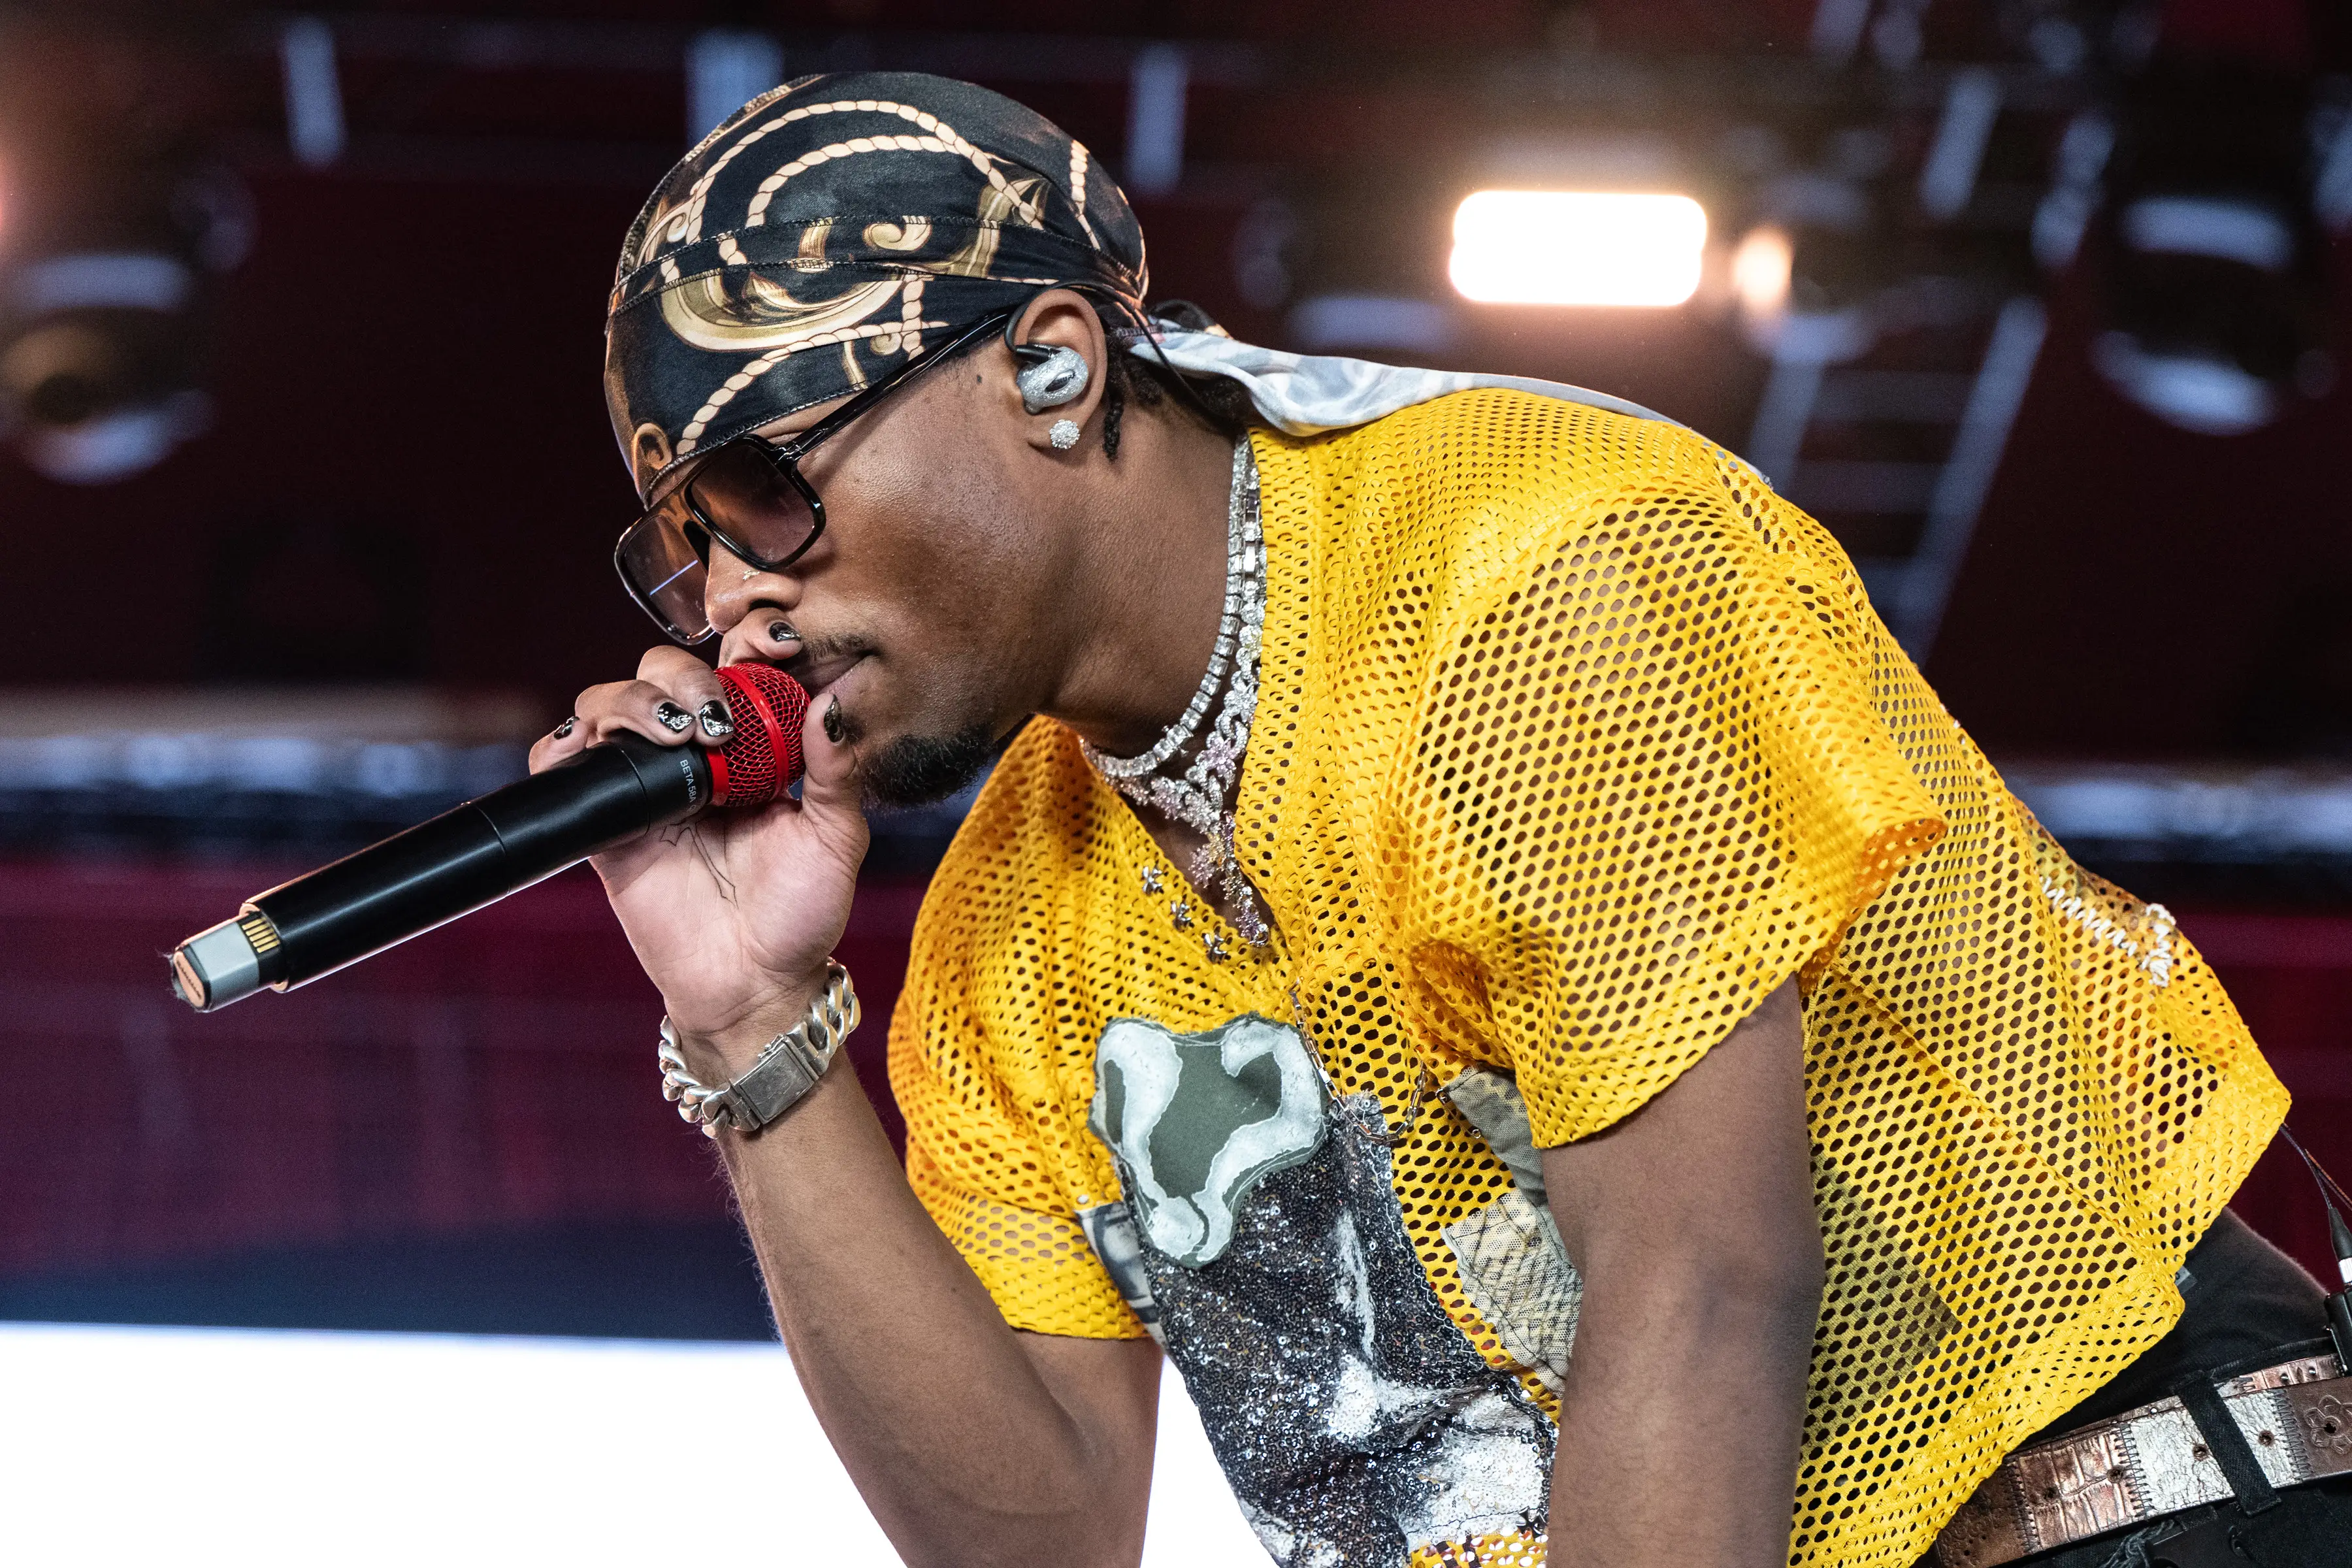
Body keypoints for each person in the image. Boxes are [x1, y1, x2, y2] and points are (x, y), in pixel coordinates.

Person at [539, 73, 2351, 1568]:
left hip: (2140, 1519)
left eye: (763, 489)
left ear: (1055, 368)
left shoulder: (1525, 582)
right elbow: (1043, 1542)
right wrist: (751, 1019)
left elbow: (1704, 1284)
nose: (725, 607)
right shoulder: (1011, 927)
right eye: (678, 544)